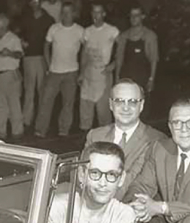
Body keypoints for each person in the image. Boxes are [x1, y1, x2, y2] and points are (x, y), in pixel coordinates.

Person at [46, 141, 140, 223]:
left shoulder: (124, 214)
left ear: (121, 179)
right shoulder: (57, 208)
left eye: (111, 175)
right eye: (95, 173)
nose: (103, 183)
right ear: (81, 174)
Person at [83, 79, 164, 202]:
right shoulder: (95, 136)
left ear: (141, 105)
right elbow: (83, 177)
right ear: (111, 104)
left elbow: (138, 185)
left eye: (132, 102)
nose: (126, 108)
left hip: (129, 207)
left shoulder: (156, 141)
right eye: (119, 101)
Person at [34, 2, 83, 137]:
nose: (66, 15)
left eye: (68, 12)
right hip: (54, 72)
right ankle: (40, 130)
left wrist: (82, 69)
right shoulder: (54, 28)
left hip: (71, 72)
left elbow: (86, 49)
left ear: (74, 14)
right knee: (45, 101)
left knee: (68, 103)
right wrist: (48, 64)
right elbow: (46, 46)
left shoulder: (80, 31)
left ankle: (64, 130)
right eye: (63, 12)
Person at [78, 3, 118, 132]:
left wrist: (114, 64)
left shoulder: (112, 30)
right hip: (89, 72)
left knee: (103, 109)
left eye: (99, 12)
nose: (96, 15)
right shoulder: (87, 31)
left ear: (104, 14)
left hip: (103, 72)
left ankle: (106, 136)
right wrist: (81, 73)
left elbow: (122, 48)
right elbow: (84, 53)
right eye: (94, 12)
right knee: (85, 106)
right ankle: (85, 135)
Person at [0, 14, 25, 139]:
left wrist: (10, 53)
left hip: (10, 74)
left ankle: (17, 132)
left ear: (5, 24)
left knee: (13, 103)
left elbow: (20, 54)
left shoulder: (13, 39)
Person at [17, 0, 54, 130]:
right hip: (28, 57)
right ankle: (26, 120)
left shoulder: (48, 19)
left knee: (42, 90)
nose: (34, 3)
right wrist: (21, 41)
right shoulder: (25, 18)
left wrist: (50, 61)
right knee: (29, 90)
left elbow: (52, 41)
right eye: (32, 1)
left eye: (37, 1)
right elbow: (18, 33)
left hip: (42, 57)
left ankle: (42, 120)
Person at [115, 5, 158, 95]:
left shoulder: (150, 36)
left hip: (142, 80)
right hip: (126, 79)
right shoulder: (124, 36)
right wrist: (117, 77)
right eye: (131, 15)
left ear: (143, 16)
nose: (133, 18)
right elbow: (119, 59)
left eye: (136, 15)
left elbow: (153, 59)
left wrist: (151, 79)